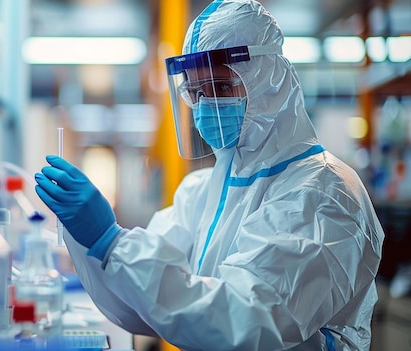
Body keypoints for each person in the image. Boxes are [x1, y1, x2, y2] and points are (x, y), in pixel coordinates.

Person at [34, 0, 384, 350]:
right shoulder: (202, 191)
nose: (206, 107)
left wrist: (112, 243)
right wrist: (91, 245)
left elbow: (246, 322)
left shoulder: (325, 193)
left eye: (219, 87)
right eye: (196, 93)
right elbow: (143, 309)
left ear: (268, 81)